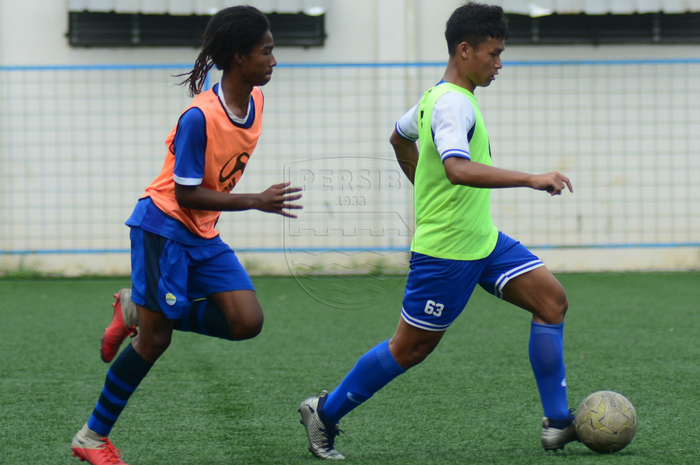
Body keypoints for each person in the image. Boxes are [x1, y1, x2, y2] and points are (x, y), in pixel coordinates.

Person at [299, 2, 576, 460]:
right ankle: (323, 413)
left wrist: (421, 185)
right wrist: (531, 178)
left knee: (552, 301)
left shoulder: (437, 97)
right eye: (494, 53)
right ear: (464, 50)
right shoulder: (451, 104)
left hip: (483, 241)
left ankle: (558, 422)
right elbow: (457, 169)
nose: (500, 63)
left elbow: (399, 137)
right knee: (409, 349)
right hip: (447, 252)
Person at [71, 6, 302, 465]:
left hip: (202, 231)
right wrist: (256, 200)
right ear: (239, 57)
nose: (274, 60)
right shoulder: (199, 117)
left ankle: (138, 306)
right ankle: (92, 438)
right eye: (266, 51)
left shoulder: (256, 99)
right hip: (164, 227)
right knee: (154, 341)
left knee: (246, 321)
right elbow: (187, 193)